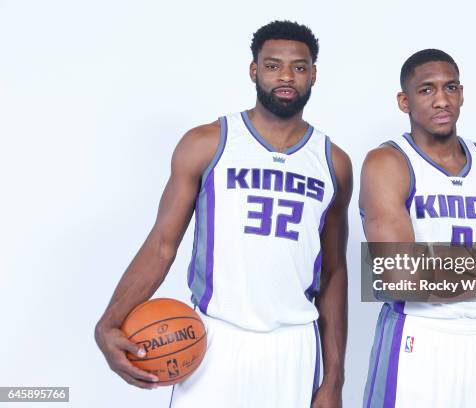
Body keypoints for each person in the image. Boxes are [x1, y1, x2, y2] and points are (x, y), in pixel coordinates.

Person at [95, 20, 352, 408]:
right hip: (215, 339)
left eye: (299, 67)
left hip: (294, 345)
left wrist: (334, 379)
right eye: (272, 65)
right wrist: (109, 321)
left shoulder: (334, 162)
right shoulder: (208, 143)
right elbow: (162, 244)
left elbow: (334, 272)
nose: (286, 75)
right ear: (254, 70)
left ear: (313, 74)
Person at [359, 49, 476, 407]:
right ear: (404, 100)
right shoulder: (388, 162)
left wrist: (439, 269)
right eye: (426, 90)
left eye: (450, 87)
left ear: (461, 93)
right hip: (418, 337)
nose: (441, 99)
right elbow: (401, 276)